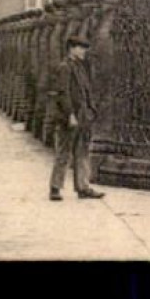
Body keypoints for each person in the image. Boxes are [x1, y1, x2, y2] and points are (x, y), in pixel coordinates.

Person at [48, 34, 104, 201]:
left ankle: (83, 187)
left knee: (82, 151)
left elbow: (86, 91)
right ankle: (55, 188)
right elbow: (63, 93)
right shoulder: (65, 67)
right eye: (81, 48)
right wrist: (70, 115)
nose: (84, 51)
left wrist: (90, 111)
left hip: (83, 115)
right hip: (71, 116)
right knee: (64, 153)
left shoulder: (79, 66)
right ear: (72, 49)